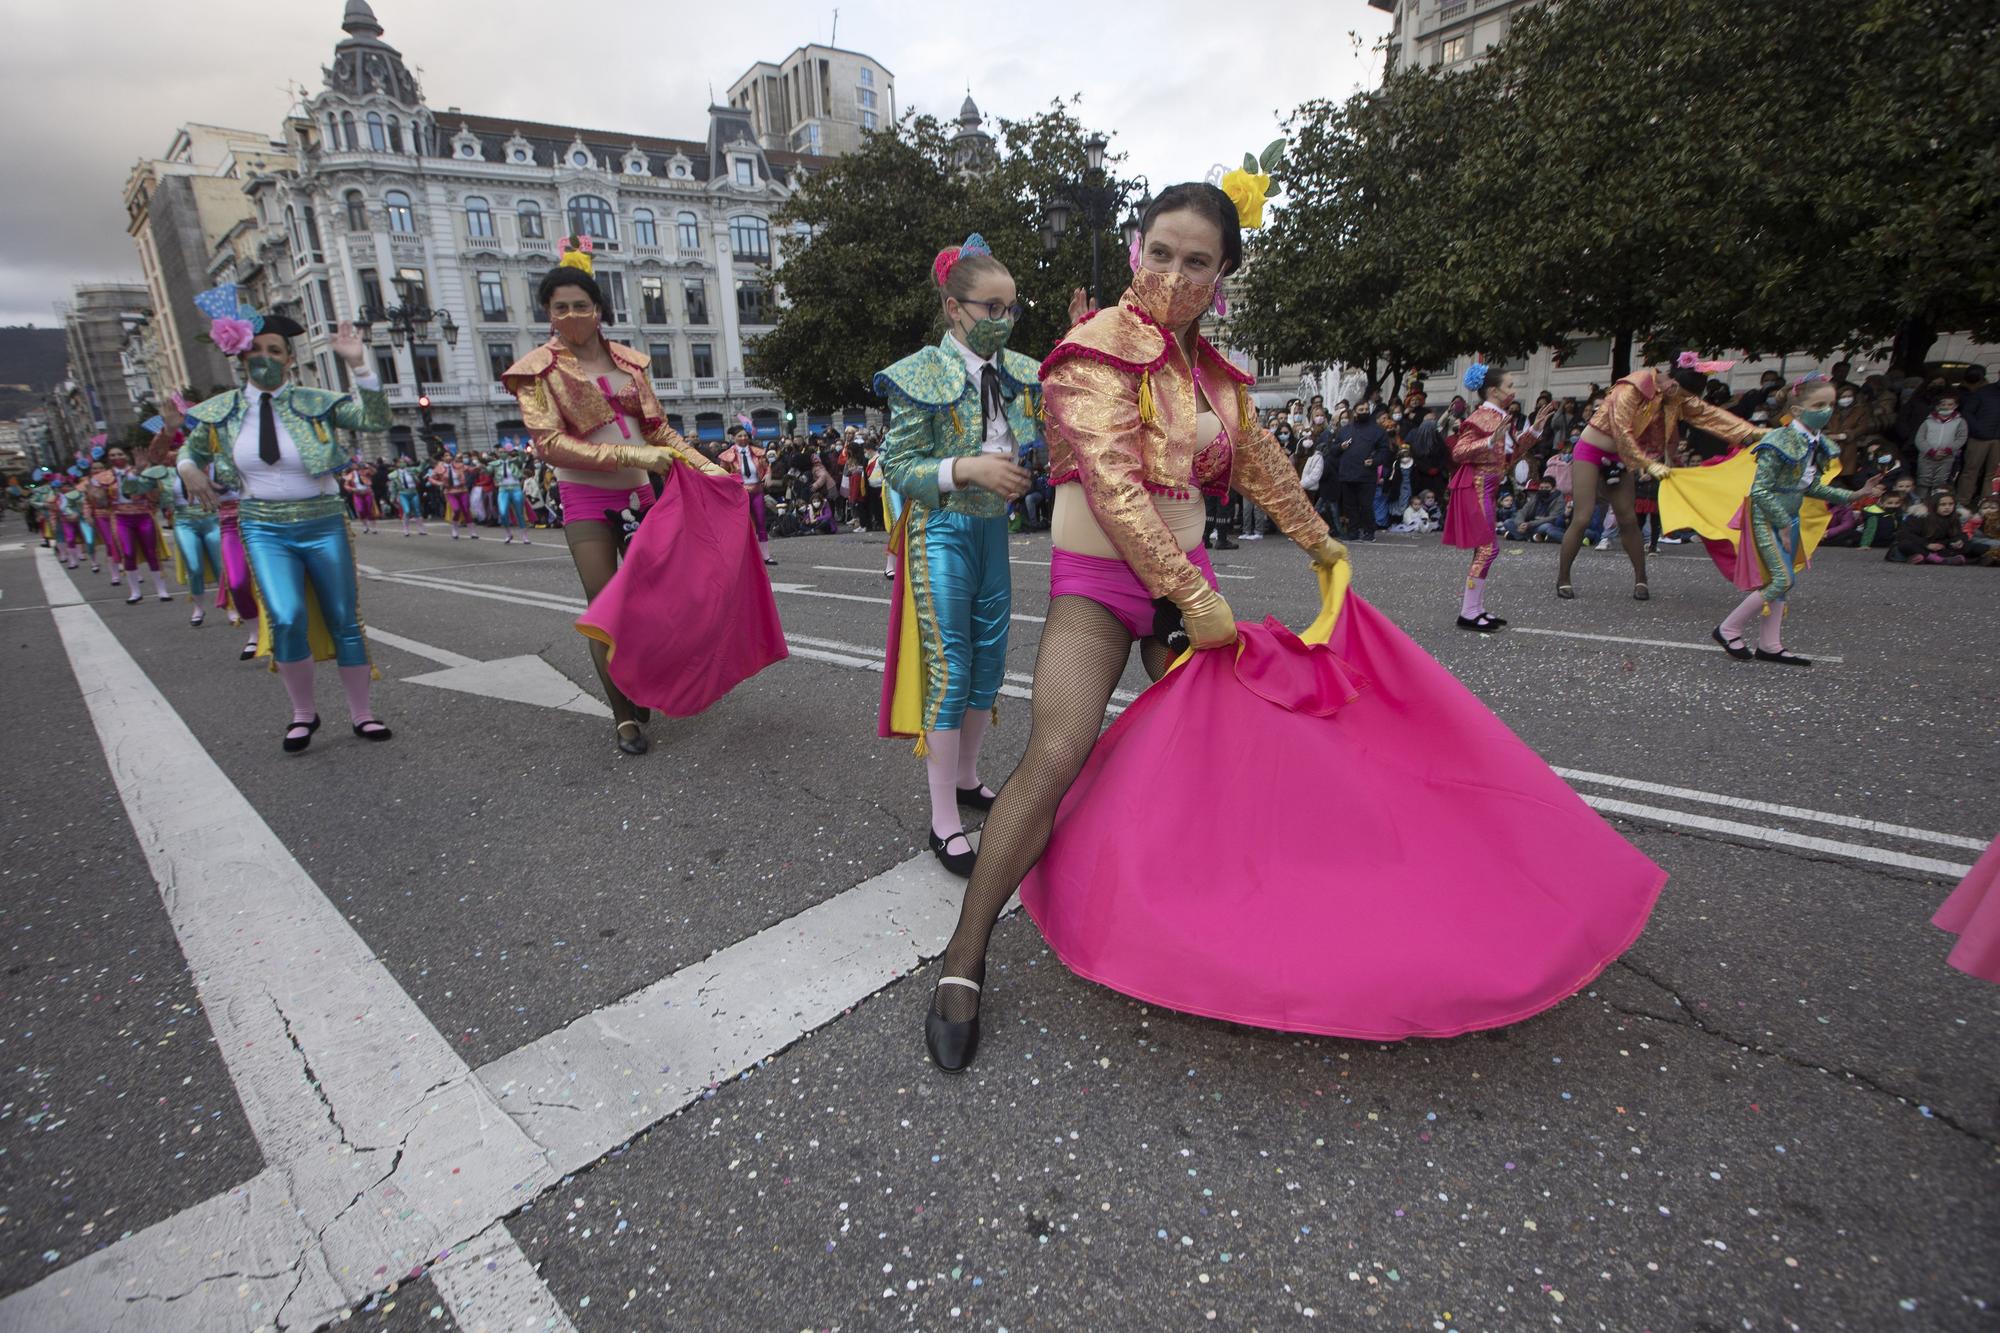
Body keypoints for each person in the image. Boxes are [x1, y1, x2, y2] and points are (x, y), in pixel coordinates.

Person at [920, 183, 1347, 1073]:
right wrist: (1189, 598)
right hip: (1102, 587)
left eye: (1198, 261)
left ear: (1224, 270)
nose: (1176, 275)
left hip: (1191, 588)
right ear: (1133, 252)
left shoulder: (1216, 374)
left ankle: (1225, 934)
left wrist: (1318, 540)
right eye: (1161, 253)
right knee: (1059, 746)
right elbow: (1113, 489)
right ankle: (964, 957)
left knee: (1237, 747)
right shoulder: (1092, 350)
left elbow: (1260, 459)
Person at [502, 237, 734, 755]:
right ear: (548, 313)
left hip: (642, 500)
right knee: (605, 607)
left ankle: (642, 677)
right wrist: (635, 459)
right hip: (585, 499)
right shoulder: (536, 370)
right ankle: (624, 717)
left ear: (599, 309)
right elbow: (551, 445)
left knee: (657, 604)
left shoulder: (630, 363)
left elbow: (661, 433)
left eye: (580, 305)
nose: (571, 314)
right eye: (560, 307)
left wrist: (711, 471)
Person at [874, 234, 1041, 877]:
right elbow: (897, 464)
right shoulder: (922, 372)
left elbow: (1049, 432)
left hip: (993, 534)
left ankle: (968, 778)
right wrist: (966, 468)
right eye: (989, 309)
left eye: (1010, 310)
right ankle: (944, 816)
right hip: (941, 530)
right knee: (950, 671)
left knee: (989, 664)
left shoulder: (1020, 373)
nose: (1001, 322)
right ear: (953, 308)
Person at [175, 286, 392, 750]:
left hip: (322, 519)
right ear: (238, 353)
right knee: (288, 616)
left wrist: (359, 364)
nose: (264, 357)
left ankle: (362, 713)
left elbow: (374, 420)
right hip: (263, 525)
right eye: (255, 348)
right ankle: (303, 714)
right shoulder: (223, 413)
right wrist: (189, 469)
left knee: (343, 616)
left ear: (290, 360)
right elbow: (188, 453)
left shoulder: (316, 401)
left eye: (275, 350)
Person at [1664, 373, 1882, 668]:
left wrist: (1857, 493)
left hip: (1786, 516)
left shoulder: (1814, 442)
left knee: (1780, 583)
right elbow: (1761, 490)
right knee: (1781, 579)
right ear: (1796, 411)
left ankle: (1770, 644)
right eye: (1820, 404)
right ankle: (1728, 630)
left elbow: (1812, 486)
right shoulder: (1778, 441)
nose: (1828, 410)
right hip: (1767, 517)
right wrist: (1781, 524)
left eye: (1830, 404)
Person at [1556, 353, 1762, 601]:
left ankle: (1641, 579)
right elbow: (1621, 429)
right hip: (1592, 448)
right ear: (1674, 385)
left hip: (1621, 457)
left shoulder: (1674, 396)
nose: (1686, 401)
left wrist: (1754, 432)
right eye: (1685, 395)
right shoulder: (1633, 386)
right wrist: (1648, 464)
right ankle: (1563, 578)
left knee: (1628, 518)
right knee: (1582, 516)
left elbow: (1708, 415)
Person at [1443, 364, 1551, 632]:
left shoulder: (1500, 417)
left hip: (1490, 485)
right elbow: (1459, 452)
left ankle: (1474, 609)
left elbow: (1510, 454)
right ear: (1494, 390)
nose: (1513, 391)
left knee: (1486, 549)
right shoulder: (1481, 417)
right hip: (1479, 484)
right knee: (1488, 548)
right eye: (1510, 386)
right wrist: (1490, 441)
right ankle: (1469, 611)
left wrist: (1534, 430)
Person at [717, 425, 778, 566]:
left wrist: (768, 475)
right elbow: (721, 473)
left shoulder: (757, 452)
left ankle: (765, 556)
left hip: (757, 490)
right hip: (739, 494)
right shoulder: (727, 456)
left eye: (745, 435)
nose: (743, 438)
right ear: (733, 438)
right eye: (740, 436)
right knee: (743, 525)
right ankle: (744, 555)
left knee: (761, 521)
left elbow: (767, 467)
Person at [1330, 404, 1390, 541]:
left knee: (1366, 505)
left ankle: (1369, 531)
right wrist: (1340, 446)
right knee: (1349, 505)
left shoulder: (1377, 431)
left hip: (1366, 474)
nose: (1364, 412)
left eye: (1366, 410)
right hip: (1347, 473)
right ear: (1355, 412)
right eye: (1361, 410)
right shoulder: (1345, 430)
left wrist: (1374, 461)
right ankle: (1353, 531)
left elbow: (1384, 451)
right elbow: (1333, 450)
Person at [1890, 490, 1970, 565]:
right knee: (1905, 544)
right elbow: (1904, 534)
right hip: (1920, 545)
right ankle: (1938, 559)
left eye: (1950, 504)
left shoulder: (1953, 517)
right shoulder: (1919, 516)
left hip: (1939, 548)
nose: (1947, 507)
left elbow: (1957, 534)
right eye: (1943, 504)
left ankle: (1926, 558)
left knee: (1968, 545)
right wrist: (1927, 544)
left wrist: (1959, 541)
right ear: (1934, 505)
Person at [1958, 367, 2000, 506]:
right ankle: (1962, 502)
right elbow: (1967, 412)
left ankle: (1988, 504)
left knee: (1993, 474)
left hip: (1998, 440)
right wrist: (1978, 429)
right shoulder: (1984, 391)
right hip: (1979, 438)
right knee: (1971, 471)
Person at [1911, 389, 1966, 494]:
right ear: (1937, 406)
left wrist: (1948, 450)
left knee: (1940, 482)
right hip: (1926, 456)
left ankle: (1936, 502)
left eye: (1950, 404)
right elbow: (1919, 438)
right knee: (1923, 480)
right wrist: (1930, 451)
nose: (1946, 407)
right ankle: (1921, 502)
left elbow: (1961, 438)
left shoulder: (1960, 422)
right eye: (1943, 404)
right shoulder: (1928, 421)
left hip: (1947, 457)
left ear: (1956, 406)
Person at [490, 444, 533, 544]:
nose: (503, 454)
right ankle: (508, 533)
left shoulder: (514, 461)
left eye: (504, 452)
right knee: (503, 512)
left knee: (519, 513)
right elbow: (488, 472)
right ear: (498, 454)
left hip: (515, 488)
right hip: (503, 490)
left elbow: (523, 457)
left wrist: (519, 449)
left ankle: (524, 536)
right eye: (500, 452)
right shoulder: (495, 464)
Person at [432, 452, 476, 539]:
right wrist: (439, 483)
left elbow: (471, 469)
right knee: (456, 510)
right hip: (450, 491)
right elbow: (431, 478)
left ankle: (472, 532)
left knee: (466, 510)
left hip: (462, 490)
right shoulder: (439, 468)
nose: (448, 457)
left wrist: (478, 467)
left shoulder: (459, 465)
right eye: (446, 456)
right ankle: (454, 529)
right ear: (443, 458)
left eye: (449, 455)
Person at [387, 457, 428, 536]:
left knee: (417, 510)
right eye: (400, 462)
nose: (403, 463)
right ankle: (406, 529)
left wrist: (423, 462)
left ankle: (421, 529)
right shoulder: (394, 474)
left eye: (404, 462)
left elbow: (419, 469)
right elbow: (393, 488)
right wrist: (392, 497)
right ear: (397, 464)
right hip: (403, 494)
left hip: (413, 492)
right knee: (407, 510)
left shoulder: (410, 470)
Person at [343, 462, 379, 533]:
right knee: (360, 510)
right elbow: (346, 485)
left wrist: (368, 466)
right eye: (352, 465)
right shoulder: (351, 475)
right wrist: (353, 489)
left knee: (370, 509)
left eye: (355, 464)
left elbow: (374, 472)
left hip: (367, 493)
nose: (354, 466)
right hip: (357, 494)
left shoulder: (366, 472)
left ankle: (373, 527)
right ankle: (365, 526)